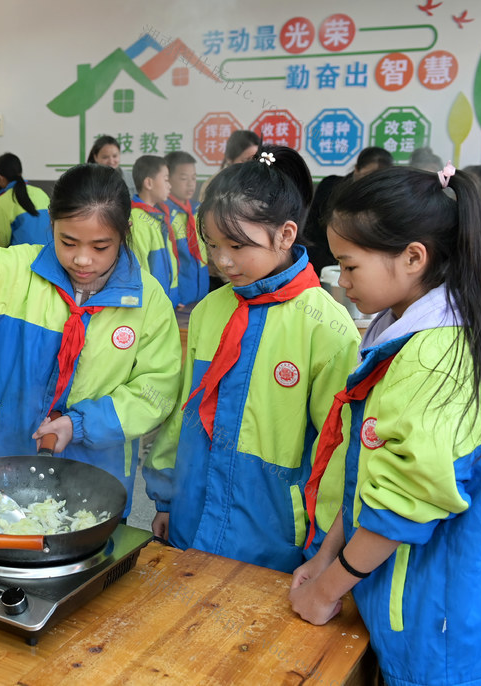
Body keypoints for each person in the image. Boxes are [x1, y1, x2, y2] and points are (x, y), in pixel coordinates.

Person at [289, 165, 481, 686]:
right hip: (414, 613)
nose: (342, 283)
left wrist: (326, 591)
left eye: (349, 267)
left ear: (414, 258)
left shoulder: (436, 356)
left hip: (444, 635)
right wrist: (326, 558)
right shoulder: (399, 329)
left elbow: (402, 503)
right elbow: (370, 476)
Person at [0, 164, 182, 516]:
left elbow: (155, 390)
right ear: (51, 221)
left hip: (97, 478)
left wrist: (80, 424)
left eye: (100, 246)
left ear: (125, 232)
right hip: (1, 467)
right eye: (68, 242)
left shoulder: (148, 300)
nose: (82, 259)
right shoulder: (16, 273)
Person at [144, 145, 360, 573]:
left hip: (272, 539)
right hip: (191, 513)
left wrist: (321, 546)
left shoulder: (326, 328)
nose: (223, 261)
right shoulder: (210, 311)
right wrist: (166, 496)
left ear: (285, 235)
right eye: (213, 244)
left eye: (238, 246)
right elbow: (182, 412)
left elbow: (337, 450)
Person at [305, 147, 394, 275]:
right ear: (356, 169)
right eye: (367, 176)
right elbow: (314, 230)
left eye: (379, 178)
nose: (371, 182)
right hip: (322, 261)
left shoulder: (384, 199)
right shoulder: (330, 187)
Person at [129, 155, 177, 306]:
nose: (170, 185)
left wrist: (174, 297)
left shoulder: (157, 216)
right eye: (166, 179)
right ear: (149, 183)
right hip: (152, 304)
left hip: (165, 300)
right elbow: (139, 271)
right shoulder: (137, 220)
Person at [164, 151, 208, 309]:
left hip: (201, 294)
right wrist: (173, 297)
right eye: (184, 178)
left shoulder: (197, 211)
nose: (191, 184)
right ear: (167, 179)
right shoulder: (163, 215)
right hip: (178, 299)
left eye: (194, 178)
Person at [0, 152, 51, 247]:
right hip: (49, 253)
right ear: (20, 172)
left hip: (21, 259)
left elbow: (1, 243)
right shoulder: (41, 193)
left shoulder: (0, 203)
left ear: (0, 177)